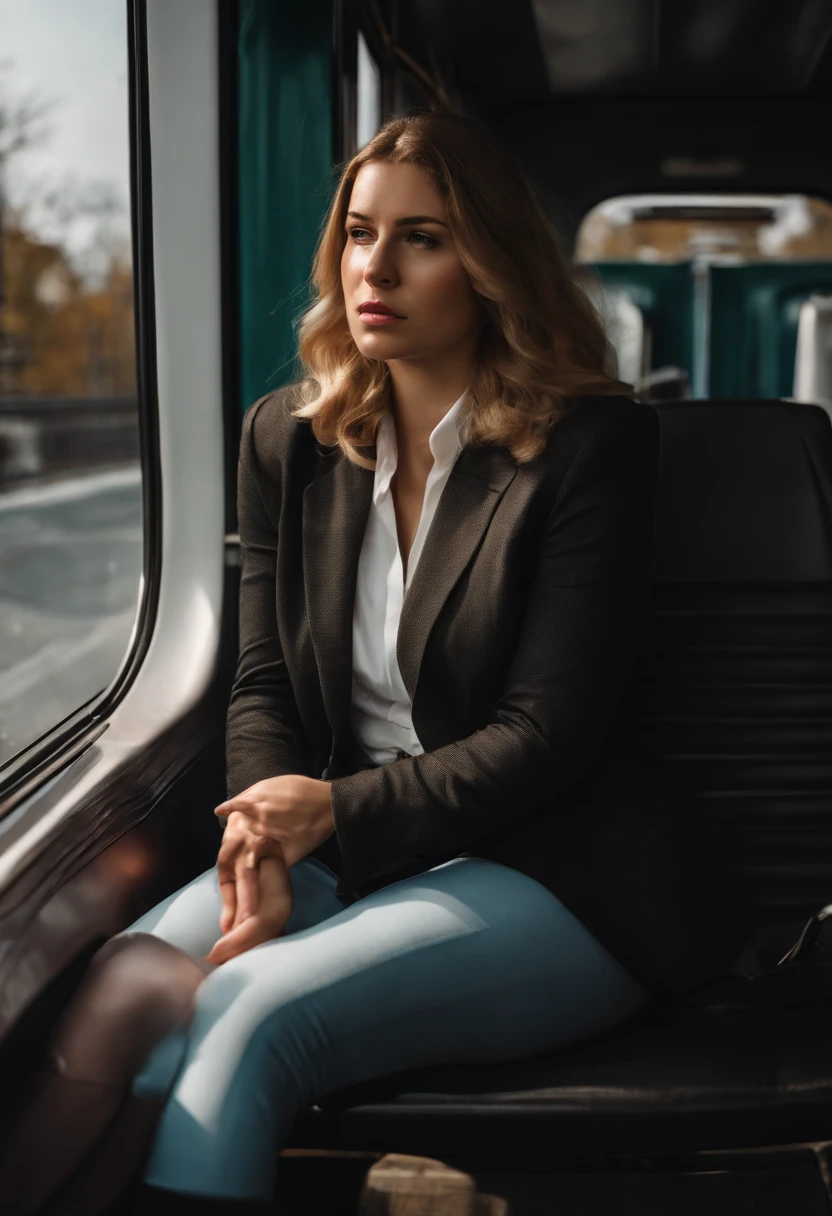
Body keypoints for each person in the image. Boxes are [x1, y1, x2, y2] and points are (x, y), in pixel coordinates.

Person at [0, 108, 748, 1216]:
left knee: (247, 1019)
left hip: (558, 869)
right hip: (350, 845)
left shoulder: (590, 445)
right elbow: (260, 680)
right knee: (126, 991)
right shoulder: (288, 441)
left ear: (490, 264)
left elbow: (548, 737)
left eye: (423, 238)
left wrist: (328, 817)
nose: (376, 268)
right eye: (359, 233)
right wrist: (258, 826)